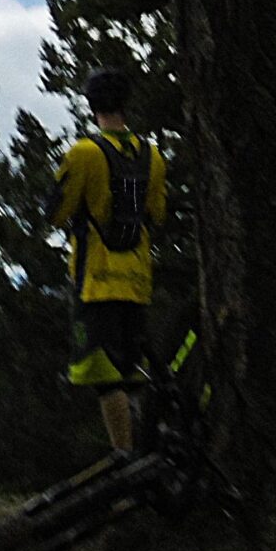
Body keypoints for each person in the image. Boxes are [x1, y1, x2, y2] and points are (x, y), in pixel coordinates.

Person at [53, 66, 168, 454]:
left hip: (96, 281)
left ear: (91, 105)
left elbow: (55, 210)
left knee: (105, 379)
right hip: (137, 279)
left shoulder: (84, 153)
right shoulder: (151, 155)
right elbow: (157, 213)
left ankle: (125, 460)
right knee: (134, 373)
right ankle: (147, 450)